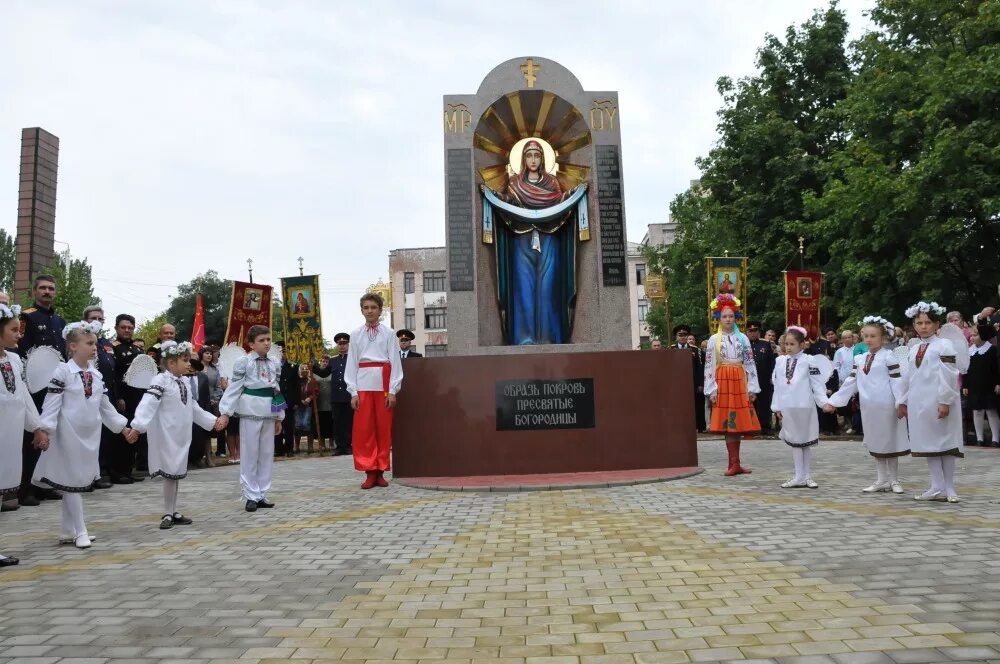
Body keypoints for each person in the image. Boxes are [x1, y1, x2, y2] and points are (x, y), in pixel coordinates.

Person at [32, 321, 139, 548]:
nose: (94, 348)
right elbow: (52, 403)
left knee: (73, 480)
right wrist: (45, 429)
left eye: (95, 343)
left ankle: (66, 530)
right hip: (67, 433)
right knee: (71, 481)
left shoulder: (96, 374)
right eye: (89, 343)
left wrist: (123, 427)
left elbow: (105, 405)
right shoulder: (63, 371)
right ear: (72, 347)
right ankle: (80, 530)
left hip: (89, 435)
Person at [130, 341, 221, 529]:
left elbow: (193, 408)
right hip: (166, 434)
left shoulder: (184, 382)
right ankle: (168, 513)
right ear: (171, 363)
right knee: (170, 472)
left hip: (180, 434)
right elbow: (148, 403)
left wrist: (213, 421)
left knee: (175, 474)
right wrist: (137, 426)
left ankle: (172, 510)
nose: (189, 364)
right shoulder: (160, 381)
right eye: (185, 360)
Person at [825, 316, 909, 493]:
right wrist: (834, 402)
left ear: (883, 338)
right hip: (869, 408)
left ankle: (894, 480)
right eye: (866, 336)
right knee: (876, 442)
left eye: (873, 336)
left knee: (890, 441)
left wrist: (901, 402)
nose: (869, 339)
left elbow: (897, 381)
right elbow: (850, 382)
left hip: (888, 406)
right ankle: (881, 480)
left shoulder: (889, 357)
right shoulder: (860, 359)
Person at [896, 301, 964, 503]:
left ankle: (950, 487)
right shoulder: (914, 348)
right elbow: (907, 377)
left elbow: (949, 374)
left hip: (939, 400)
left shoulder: (944, 345)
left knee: (946, 443)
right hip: (920, 403)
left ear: (936, 325)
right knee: (929, 444)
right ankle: (936, 486)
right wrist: (903, 401)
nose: (923, 326)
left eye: (927, 322)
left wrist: (945, 401)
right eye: (919, 322)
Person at [0, 302, 49, 566]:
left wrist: (37, 427)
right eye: (13, 330)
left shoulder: (15, 360)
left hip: (9, 433)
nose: (19, 335)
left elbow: (23, 397)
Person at [217, 326, 285, 512]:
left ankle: (262, 493)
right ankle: (250, 494)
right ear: (251, 344)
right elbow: (234, 388)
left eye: (268, 339)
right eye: (262, 340)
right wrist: (225, 412)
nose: (266, 343)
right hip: (250, 409)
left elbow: (276, 389)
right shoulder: (244, 362)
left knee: (266, 453)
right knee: (249, 453)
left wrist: (279, 416)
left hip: (269, 411)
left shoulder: (275, 363)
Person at [17, 274, 66, 508]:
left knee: (51, 435)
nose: (47, 292)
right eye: (43, 288)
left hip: (54, 388)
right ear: (34, 291)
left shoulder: (59, 321)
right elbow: (24, 351)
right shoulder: (27, 317)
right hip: (35, 386)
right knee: (33, 437)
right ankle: (25, 489)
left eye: (51, 288)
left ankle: (43, 485)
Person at [345, 293, 403, 489]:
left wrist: (393, 389)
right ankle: (369, 471)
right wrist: (353, 392)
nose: (370, 311)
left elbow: (395, 361)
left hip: (383, 382)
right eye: (366, 307)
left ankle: (380, 471)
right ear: (362, 310)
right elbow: (351, 363)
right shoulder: (355, 334)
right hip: (363, 384)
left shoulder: (388, 333)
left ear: (380, 310)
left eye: (373, 307)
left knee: (382, 429)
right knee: (364, 430)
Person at [704, 295, 760, 475]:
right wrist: (711, 389)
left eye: (731, 316)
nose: (728, 319)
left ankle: (736, 463)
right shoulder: (714, 340)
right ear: (718, 318)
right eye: (724, 316)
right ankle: (732, 463)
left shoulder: (743, 338)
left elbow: (750, 362)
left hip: (739, 380)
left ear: (735, 318)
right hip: (723, 380)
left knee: (738, 423)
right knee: (729, 422)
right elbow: (709, 365)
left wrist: (752, 387)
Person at [772, 326, 832, 488]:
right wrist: (777, 406)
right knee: (795, 441)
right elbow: (777, 385)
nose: (788, 347)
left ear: (802, 345)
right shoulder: (780, 361)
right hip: (787, 407)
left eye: (792, 344)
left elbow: (817, 384)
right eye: (786, 344)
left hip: (805, 406)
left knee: (805, 441)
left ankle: (806, 476)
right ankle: (799, 476)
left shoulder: (809, 361)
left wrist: (824, 402)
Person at [82, 306, 116, 490]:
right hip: (84, 395)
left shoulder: (106, 344)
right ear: (85, 321)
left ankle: (99, 472)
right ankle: (84, 476)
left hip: (105, 394)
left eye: (100, 318)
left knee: (103, 436)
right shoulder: (78, 340)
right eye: (93, 318)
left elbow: (112, 372)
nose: (97, 321)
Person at [111, 314, 147, 484]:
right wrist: (118, 397)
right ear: (116, 328)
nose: (127, 330)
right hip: (122, 398)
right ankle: (117, 472)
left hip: (137, 398)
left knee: (135, 432)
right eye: (123, 327)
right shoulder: (112, 348)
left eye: (130, 328)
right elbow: (114, 376)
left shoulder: (137, 350)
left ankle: (128, 469)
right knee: (121, 435)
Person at [964, 326, 1000, 447]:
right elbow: (966, 370)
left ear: (983, 336)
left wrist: (998, 383)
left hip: (989, 385)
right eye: (971, 336)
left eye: (975, 335)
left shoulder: (992, 350)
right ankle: (979, 438)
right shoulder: (970, 351)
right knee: (977, 411)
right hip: (975, 385)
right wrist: (965, 385)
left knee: (991, 411)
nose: (972, 338)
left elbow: (997, 369)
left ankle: (996, 438)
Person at [671, 325, 704, 432]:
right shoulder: (671, 349)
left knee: (696, 406)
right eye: (680, 335)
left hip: (693, 382)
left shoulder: (695, 349)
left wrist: (700, 384)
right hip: (677, 384)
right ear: (676, 337)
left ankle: (698, 427)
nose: (683, 337)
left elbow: (700, 368)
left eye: (685, 335)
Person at [746, 321, 776, 435]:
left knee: (764, 403)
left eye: (755, 331)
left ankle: (765, 426)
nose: (753, 334)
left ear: (759, 332)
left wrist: (772, 376)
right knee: (749, 403)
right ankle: (750, 426)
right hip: (748, 380)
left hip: (763, 378)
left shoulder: (765, 344)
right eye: (750, 331)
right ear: (747, 332)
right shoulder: (743, 344)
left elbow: (772, 362)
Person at [186, 357, 214, 467]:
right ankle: (187, 459)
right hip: (186, 409)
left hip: (201, 408)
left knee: (200, 435)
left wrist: (207, 410)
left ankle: (197, 458)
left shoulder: (203, 377)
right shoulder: (182, 377)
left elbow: (206, 396)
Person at [329, 333, 354, 456]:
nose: (342, 346)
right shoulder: (332, 360)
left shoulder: (353, 359)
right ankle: (339, 446)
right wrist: (313, 365)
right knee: (337, 422)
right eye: (340, 344)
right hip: (336, 397)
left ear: (348, 345)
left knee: (348, 422)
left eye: (344, 344)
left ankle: (348, 446)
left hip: (349, 395)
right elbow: (324, 373)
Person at [277, 348, 300, 458]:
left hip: (289, 399)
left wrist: (296, 401)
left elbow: (297, 385)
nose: (282, 354)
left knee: (289, 426)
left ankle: (289, 448)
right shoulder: (273, 365)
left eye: (284, 351)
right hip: (277, 398)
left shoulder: (293, 366)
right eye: (280, 351)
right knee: (277, 424)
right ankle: (278, 449)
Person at [296, 363, 319, 454]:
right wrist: (299, 400)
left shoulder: (313, 381)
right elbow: (294, 391)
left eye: (306, 369)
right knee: (297, 426)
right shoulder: (297, 381)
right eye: (302, 369)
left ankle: (310, 447)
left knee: (308, 426)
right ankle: (296, 447)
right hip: (298, 406)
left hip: (309, 406)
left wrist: (309, 398)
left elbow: (316, 392)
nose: (304, 370)